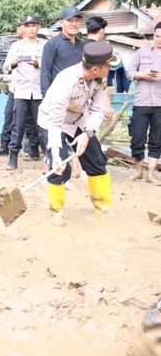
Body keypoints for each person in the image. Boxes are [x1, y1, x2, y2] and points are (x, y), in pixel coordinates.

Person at [37, 41, 121, 226]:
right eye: (108, 65)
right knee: (60, 167)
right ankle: (56, 211)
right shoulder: (65, 81)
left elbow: (98, 110)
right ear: (95, 69)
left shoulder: (100, 79)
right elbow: (55, 122)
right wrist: (56, 153)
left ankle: (102, 205)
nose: (110, 68)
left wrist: (88, 133)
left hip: (79, 120)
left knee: (96, 161)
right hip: (52, 122)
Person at [2, 14, 47, 170]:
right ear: (24, 28)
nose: (31, 29)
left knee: (42, 125)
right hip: (21, 90)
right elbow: (5, 67)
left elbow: (48, 66)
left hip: (39, 91)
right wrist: (13, 64)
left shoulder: (44, 45)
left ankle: (49, 157)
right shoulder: (16, 45)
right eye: (27, 26)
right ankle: (13, 157)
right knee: (18, 125)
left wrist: (37, 63)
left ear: (38, 27)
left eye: (33, 25)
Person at [125, 22, 161, 185]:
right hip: (142, 102)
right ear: (153, 36)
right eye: (157, 36)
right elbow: (129, 72)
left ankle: (151, 174)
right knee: (137, 137)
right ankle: (138, 171)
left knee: (157, 139)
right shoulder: (142, 52)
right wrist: (143, 75)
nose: (159, 40)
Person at [40, 6, 85, 96]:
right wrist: (46, 97)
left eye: (77, 20)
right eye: (70, 20)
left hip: (78, 95)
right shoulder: (52, 44)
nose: (74, 24)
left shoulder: (82, 45)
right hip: (58, 95)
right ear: (61, 23)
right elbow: (45, 73)